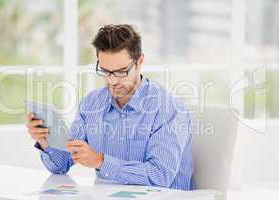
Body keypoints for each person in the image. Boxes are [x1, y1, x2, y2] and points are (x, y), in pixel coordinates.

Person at [27, 24, 194, 190]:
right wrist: (45, 141)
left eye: (121, 72)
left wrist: (101, 161)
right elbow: (60, 165)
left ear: (139, 62)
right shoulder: (92, 104)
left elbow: (160, 176)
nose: (112, 81)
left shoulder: (167, 108)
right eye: (105, 71)